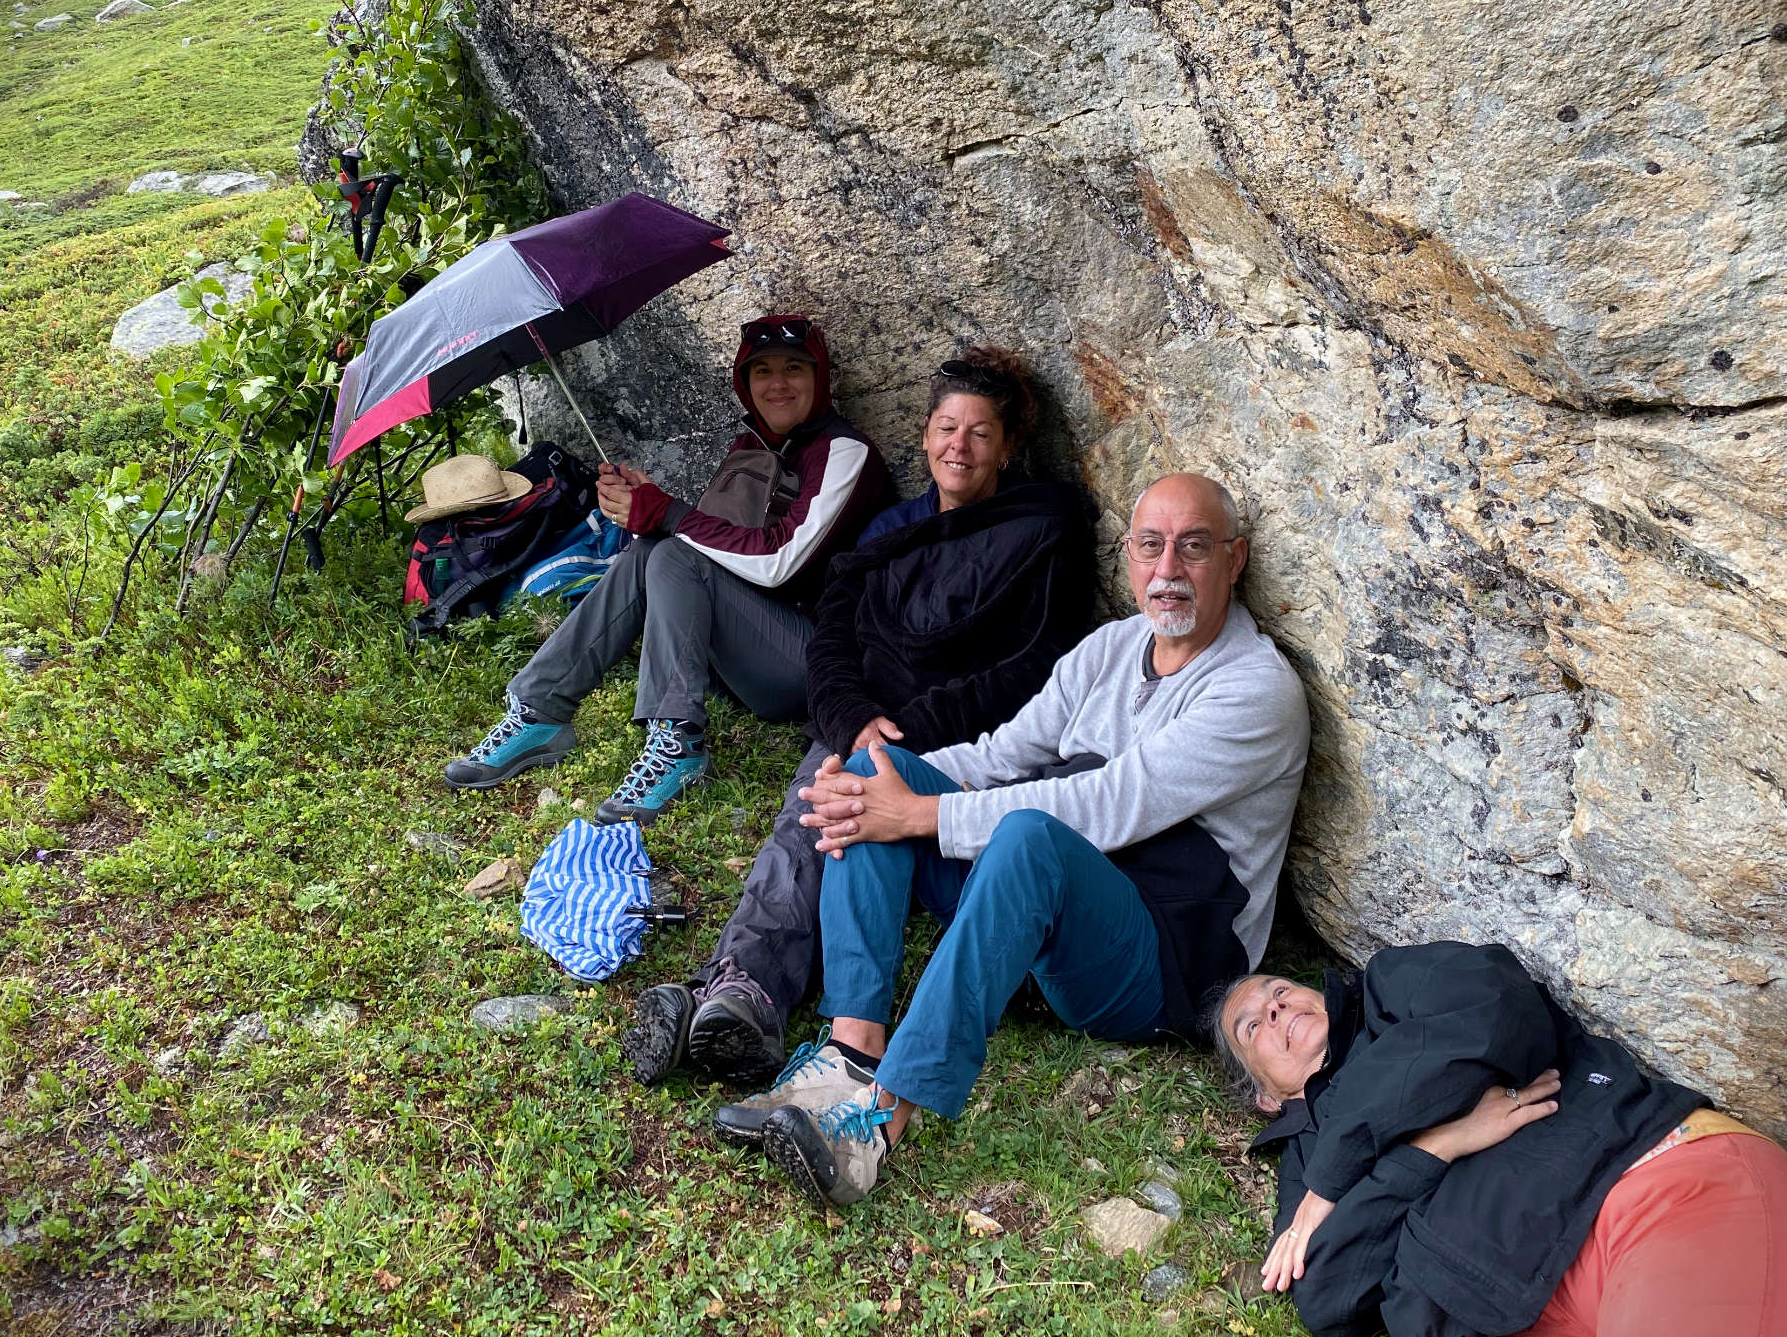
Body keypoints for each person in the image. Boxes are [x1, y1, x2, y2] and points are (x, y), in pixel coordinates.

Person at [730, 471, 1312, 1207]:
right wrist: (882, 789)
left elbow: (1106, 804)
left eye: (1193, 548)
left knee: (1025, 837)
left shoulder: (1253, 690)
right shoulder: (1108, 650)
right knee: (889, 771)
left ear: (1236, 558)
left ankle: (877, 1125)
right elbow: (1003, 755)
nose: (1167, 571)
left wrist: (920, 817)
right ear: (1126, 556)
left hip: (1160, 952)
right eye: (1150, 546)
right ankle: (851, 1051)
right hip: (1042, 895)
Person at [622, 347, 1097, 1093]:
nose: (958, 447)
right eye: (945, 427)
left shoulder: (1042, 527)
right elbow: (834, 636)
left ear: (1008, 446)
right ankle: (734, 995)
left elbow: (1040, 661)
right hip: (867, 722)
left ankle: (742, 988)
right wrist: (850, 717)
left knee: (823, 807)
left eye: (979, 433)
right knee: (821, 798)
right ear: (924, 434)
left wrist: (905, 726)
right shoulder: (890, 530)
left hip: (958, 737)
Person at [443, 316, 890, 826]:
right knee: (654, 549)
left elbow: (779, 563)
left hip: (807, 662)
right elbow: (704, 548)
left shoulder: (845, 452)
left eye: (794, 368)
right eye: (761, 371)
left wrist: (668, 514)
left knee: (673, 547)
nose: (778, 384)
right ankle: (540, 710)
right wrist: (641, 511)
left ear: (821, 377)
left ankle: (677, 742)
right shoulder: (752, 448)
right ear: (745, 384)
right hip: (737, 652)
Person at [1215, 941, 1787, 1337]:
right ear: (1267, 1097)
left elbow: (1492, 1013)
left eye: (1280, 990)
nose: (1275, 1007)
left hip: (1644, 1194)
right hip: (1518, 1312)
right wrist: (1437, 1144)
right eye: (1253, 1025)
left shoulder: (1389, 994)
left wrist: (1343, 1172)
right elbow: (1328, 1298)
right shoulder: (1305, 1167)